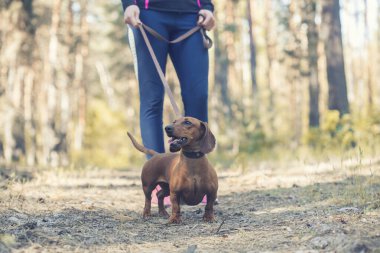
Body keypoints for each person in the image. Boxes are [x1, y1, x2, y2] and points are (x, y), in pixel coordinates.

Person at [122, 0, 215, 158]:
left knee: (197, 95)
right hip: (147, 14)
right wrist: (129, 4)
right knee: (152, 98)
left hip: (192, 17)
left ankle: (195, 174)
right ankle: (157, 179)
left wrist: (207, 6)